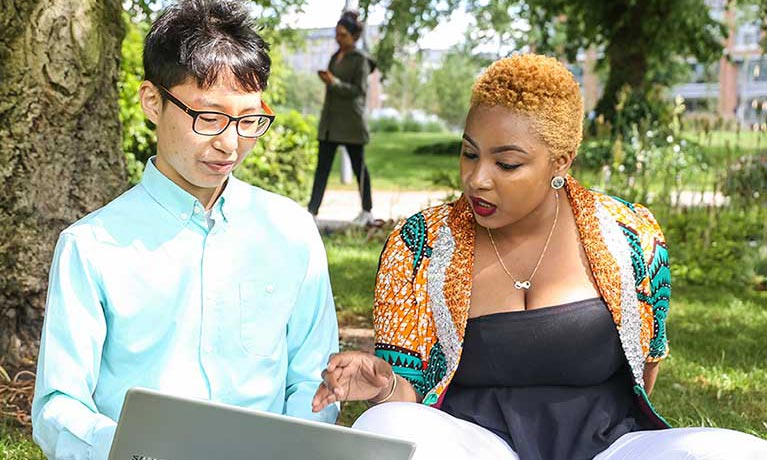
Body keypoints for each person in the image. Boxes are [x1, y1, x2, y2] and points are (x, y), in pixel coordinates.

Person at [311, 54, 767, 460]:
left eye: (506, 164)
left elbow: (646, 368)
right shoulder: (422, 243)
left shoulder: (631, 233)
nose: (477, 179)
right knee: (383, 428)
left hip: (609, 446)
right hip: (471, 445)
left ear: (562, 161)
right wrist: (385, 384)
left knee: (740, 452)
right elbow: (411, 403)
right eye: (469, 154)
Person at [31, 1, 339, 459]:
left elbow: (312, 380)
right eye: (209, 118)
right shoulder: (91, 247)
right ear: (153, 102)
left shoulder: (291, 231)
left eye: (249, 120)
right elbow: (59, 405)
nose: (230, 144)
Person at [308, 10, 375, 226]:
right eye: (337, 34)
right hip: (330, 123)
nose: (339, 38)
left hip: (351, 123)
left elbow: (359, 90)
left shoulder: (360, 60)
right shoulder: (334, 57)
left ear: (354, 37)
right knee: (322, 169)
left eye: (343, 35)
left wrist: (334, 82)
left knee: (359, 168)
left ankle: (367, 211)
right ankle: (312, 212)